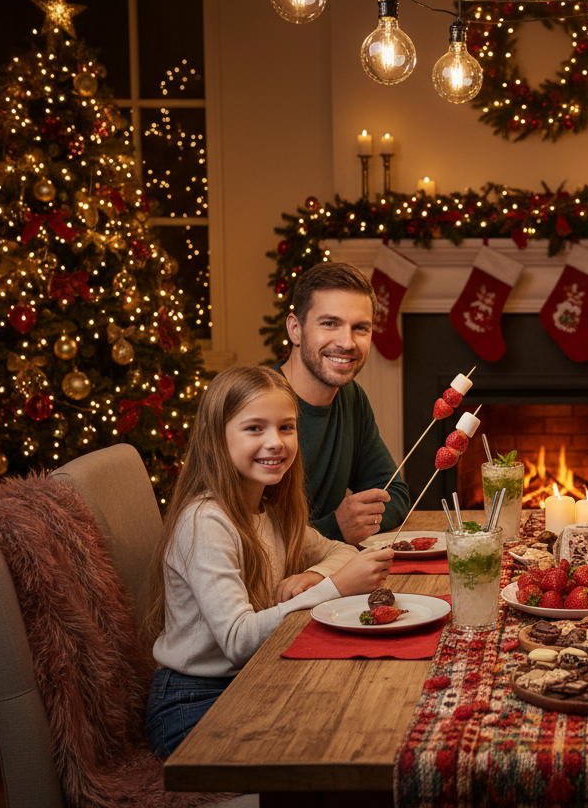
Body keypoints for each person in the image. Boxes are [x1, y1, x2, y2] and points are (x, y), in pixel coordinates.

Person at [143, 365, 394, 758]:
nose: (275, 442)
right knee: (329, 745)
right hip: (193, 704)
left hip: (254, 678)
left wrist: (314, 574)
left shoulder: (269, 509)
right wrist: (335, 587)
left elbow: (340, 551)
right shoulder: (205, 522)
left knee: (363, 711)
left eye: (286, 427)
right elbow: (239, 641)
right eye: (254, 428)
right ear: (217, 438)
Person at [276, 261, 411, 544]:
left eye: (360, 328)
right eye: (330, 323)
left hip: (326, 569)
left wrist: (355, 522)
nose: (347, 343)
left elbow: (395, 493)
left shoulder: (351, 398)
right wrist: (336, 528)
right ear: (295, 329)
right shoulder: (255, 403)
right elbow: (249, 540)